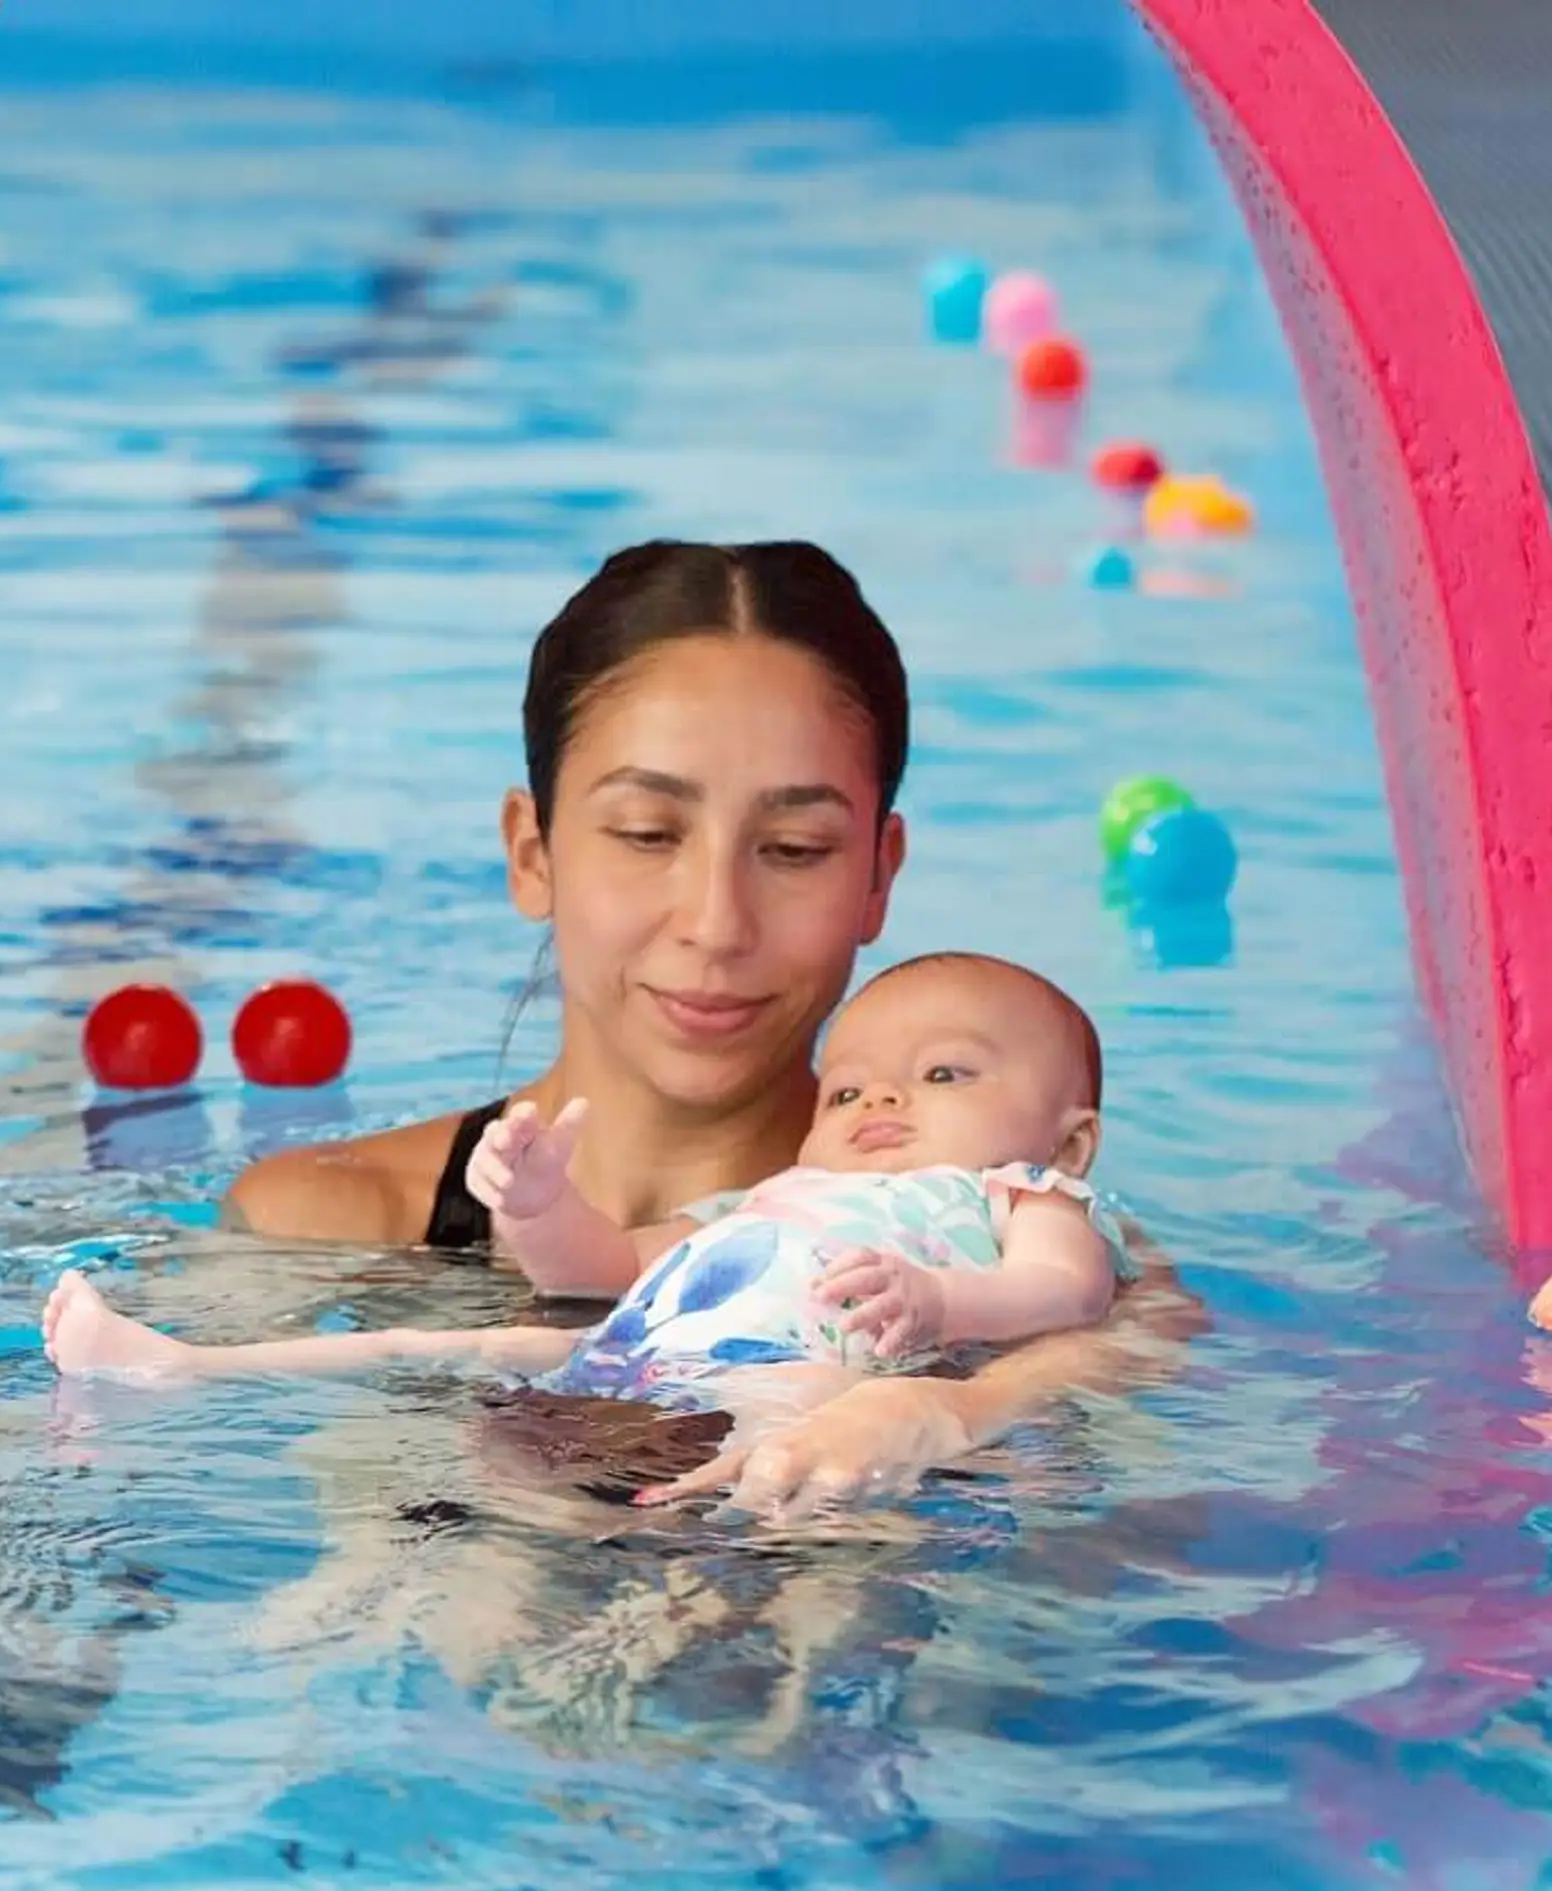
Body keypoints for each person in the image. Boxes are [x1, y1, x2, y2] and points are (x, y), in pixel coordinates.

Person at [211, 538, 1198, 1515]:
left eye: (793, 847)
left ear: (877, 875)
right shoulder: (317, 1224)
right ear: (532, 852)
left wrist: (960, 1404)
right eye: (647, 833)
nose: (716, 925)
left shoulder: (1043, 1266)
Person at [44, 952, 1136, 1481]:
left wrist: (943, 1295)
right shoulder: (769, 1202)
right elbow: (603, 1266)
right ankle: (182, 1366)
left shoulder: (1012, 1196)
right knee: (456, 1341)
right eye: (843, 1091)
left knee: (776, 1448)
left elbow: (1066, 1287)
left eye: (942, 1072)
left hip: (807, 1373)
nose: (880, 1101)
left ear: (1070, 1138)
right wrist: (535, 1201)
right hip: (638, 1344)